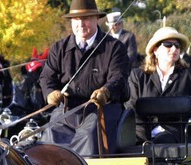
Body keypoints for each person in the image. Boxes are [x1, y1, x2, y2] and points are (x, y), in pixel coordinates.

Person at [39, 0, 130, 155]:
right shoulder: (59, 48)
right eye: (76, 20)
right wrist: (50, 93)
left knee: (88, 137)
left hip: (101, 110)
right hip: (67, 111)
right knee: (50, 134)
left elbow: (119, 77)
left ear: (96, 19)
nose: (81, 24)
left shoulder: (114, 48)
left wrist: (106, 92)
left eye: (86, 18)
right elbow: (46, 77)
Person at [125, 26, 191, 143]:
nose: (174, 49)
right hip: (142, 137)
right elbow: (131, 109)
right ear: (155, 50)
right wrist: (143, 137)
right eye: (168, 45)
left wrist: (189, 134)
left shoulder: (190, 76)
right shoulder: (138, 76)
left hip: (177, 137)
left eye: (177, 46)